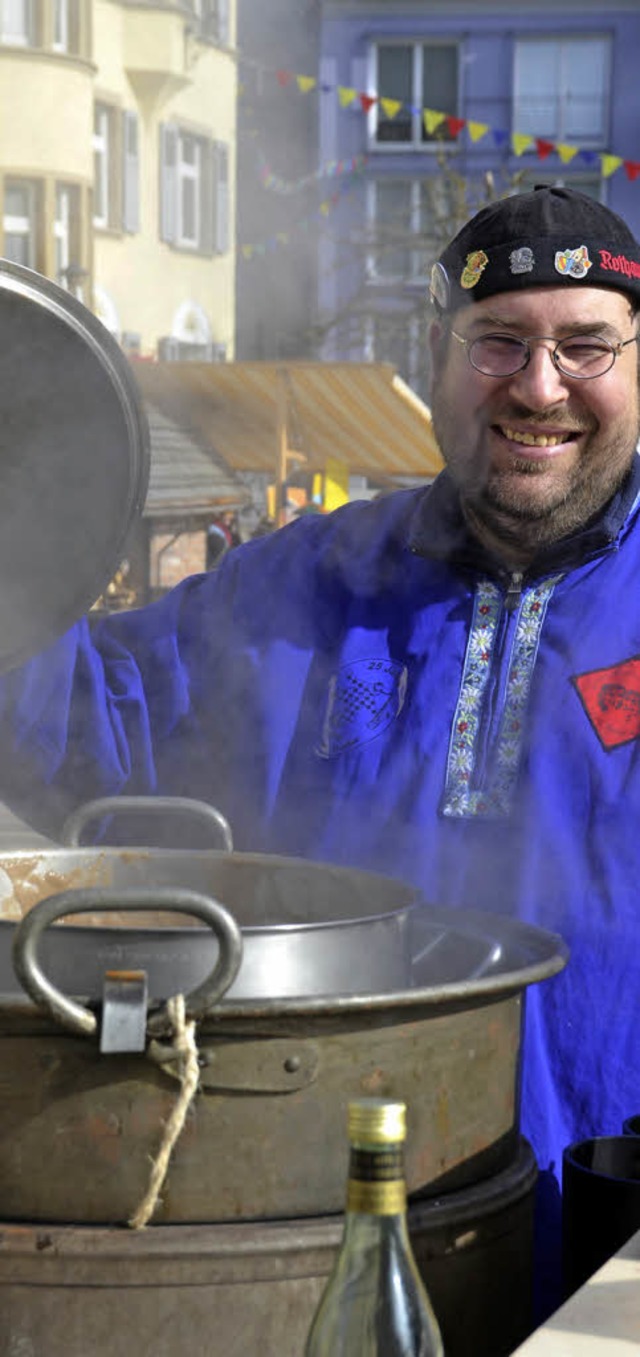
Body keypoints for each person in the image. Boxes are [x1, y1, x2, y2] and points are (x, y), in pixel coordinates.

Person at [1, 185, 640, 1319]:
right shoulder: (307, 582)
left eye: (585, 345)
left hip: (606, 1237)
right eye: (498, 342)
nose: (538, 388)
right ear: (439, 354)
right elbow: (78, 715)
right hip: (316, 1226)